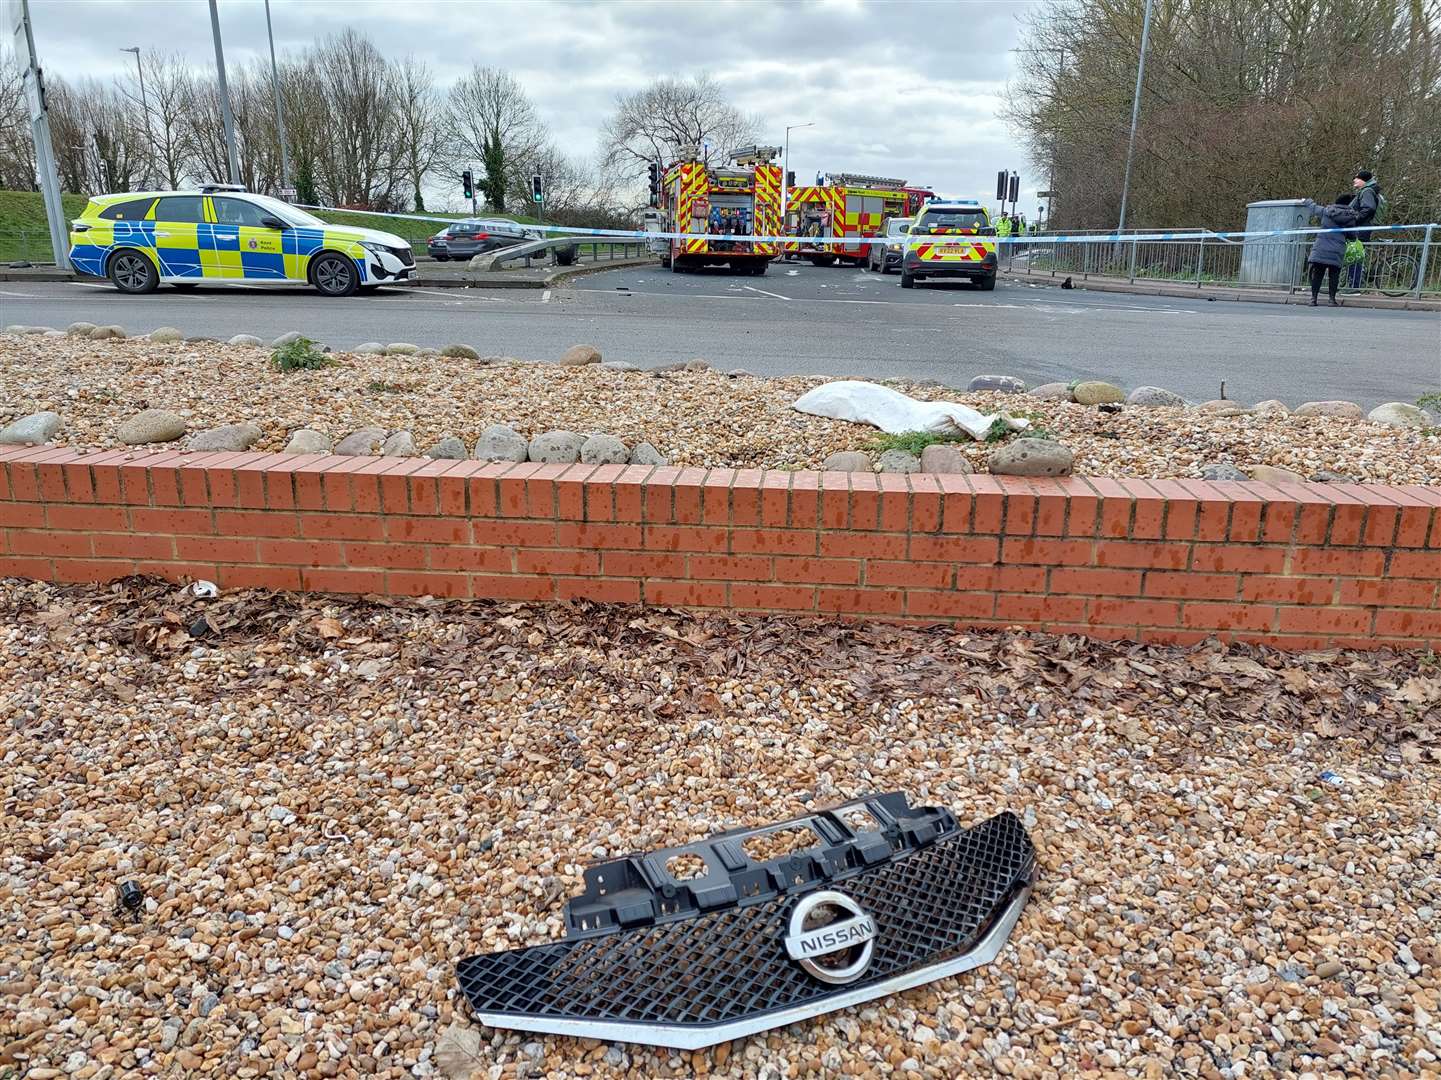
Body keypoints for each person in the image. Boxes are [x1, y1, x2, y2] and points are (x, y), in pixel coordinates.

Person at [1301, 192, 1359, 306]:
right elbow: (1352, 235)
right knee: (1334, 275)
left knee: (1317, 274)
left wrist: (1306, 200)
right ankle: (1331, 300)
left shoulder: (1326, 211)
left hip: (1321, 247)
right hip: (1337, 249)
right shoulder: (1350, 217)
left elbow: (1313, 208)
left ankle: (1313, 299)